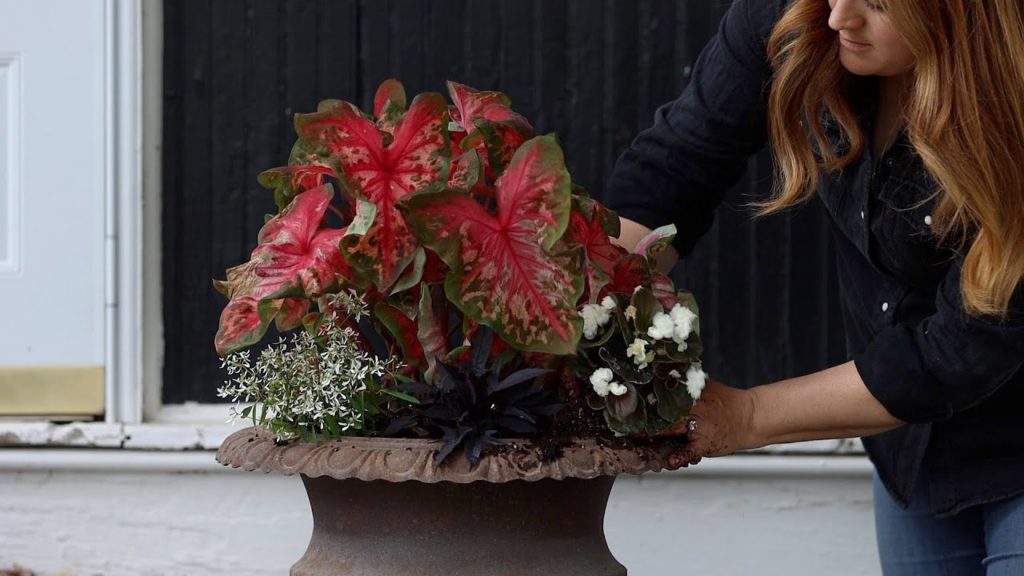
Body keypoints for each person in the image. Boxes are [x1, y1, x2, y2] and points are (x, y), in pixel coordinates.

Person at [605, 0, 1024, 574]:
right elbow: (678, 165)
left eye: (877, 5)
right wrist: (592, 299)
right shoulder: (798, 16)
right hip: (911, 445)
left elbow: (963, 349)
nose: (837, 18)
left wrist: (744, 416)